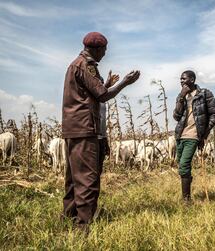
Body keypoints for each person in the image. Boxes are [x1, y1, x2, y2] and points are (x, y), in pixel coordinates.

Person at [62, 31, 140, 231]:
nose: (104, 54)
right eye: (104, 50)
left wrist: (106, 85)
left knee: (73, 179)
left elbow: (92, 94)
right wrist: (125, 82)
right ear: (95, 49)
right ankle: (83, 228)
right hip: (86, 129)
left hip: (74, 129)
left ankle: (69, 218)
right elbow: (103, 96)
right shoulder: (86, 65)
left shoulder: (76, 65)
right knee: (88, 179)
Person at [173, 70, 215, 203]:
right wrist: (181, 97)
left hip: (194, 136)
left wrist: (205, 132)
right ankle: (187, 192)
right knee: (182, 167)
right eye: (180, 79)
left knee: (184, 165)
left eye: (184, 79)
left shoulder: (204, 94)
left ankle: (186, 199)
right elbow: (176, 116)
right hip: (180, 135)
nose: (181, 81)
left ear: (192, 80)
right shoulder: (182, 96)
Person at [98, 71, 119, 175]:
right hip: (93, 138)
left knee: (99, 170)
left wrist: (105, 139)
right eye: (99, 84)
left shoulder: (103, 102)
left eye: (102, 84)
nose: (101, 86)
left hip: (101, 138)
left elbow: (103, 122)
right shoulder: (92, 99)